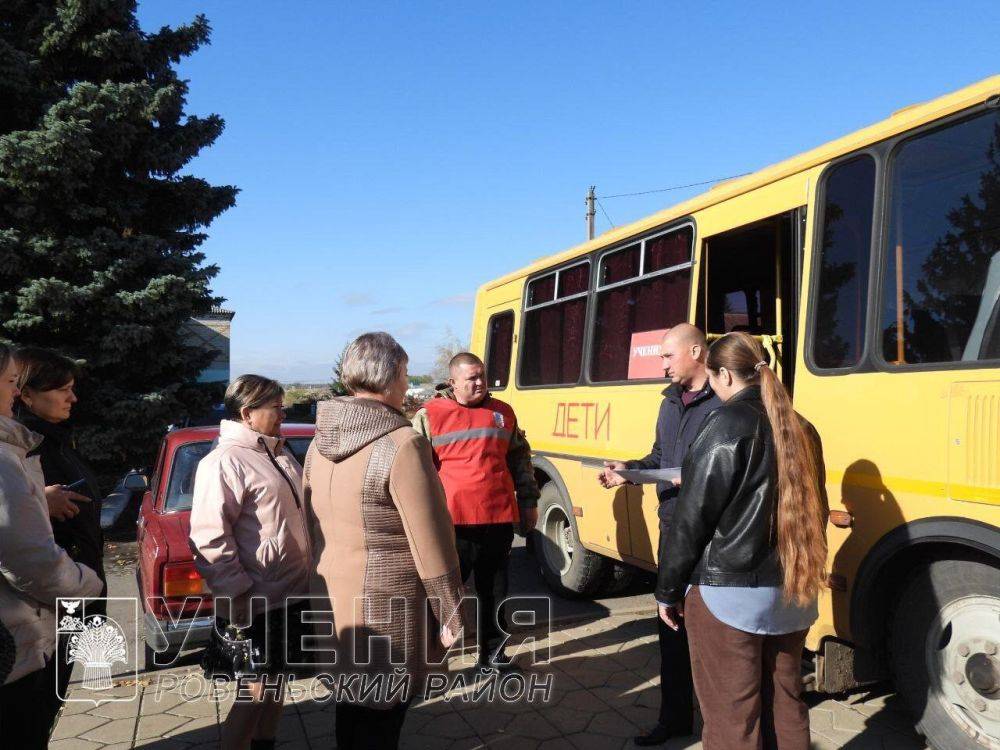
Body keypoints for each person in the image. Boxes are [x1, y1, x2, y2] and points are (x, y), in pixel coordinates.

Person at [656, 332, 828, 750]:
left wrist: (668, 590)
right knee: (787, 706)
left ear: (724, 376)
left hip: (728, 596)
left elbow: (692, 518)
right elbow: (818, 510)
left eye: (713, 379)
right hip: (793, 591)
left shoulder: (724, 424)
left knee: (733, 719)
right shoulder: (802, 426)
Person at [306, 332, 464, 750]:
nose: (406, 383)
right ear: (392, 375)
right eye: (406, 372)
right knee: (384, 718)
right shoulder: (403, 443)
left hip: (335, 603)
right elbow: (431, 541)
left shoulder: (317, 445)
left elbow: (310, 521)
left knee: (351, 705)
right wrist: (451, 610)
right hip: (387, 604)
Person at [598, 323, 720, 745]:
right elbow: (659, 457)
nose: (662, 364)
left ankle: (723, 725)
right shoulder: (669, 402)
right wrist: (627, 472)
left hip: (713, 535)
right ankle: (674, 721)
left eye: (669, 356)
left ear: (697, 352)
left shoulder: (724, 403)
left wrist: (699, 479)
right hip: (672, 529)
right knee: (670, 624)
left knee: (713, 635)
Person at [189, 374, 312, 750]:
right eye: (275, 407)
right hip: (253, 600)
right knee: (254, 690)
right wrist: (236, 592)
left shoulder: (276, 451)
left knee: (276, 682)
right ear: (247, 413)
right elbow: (209, 536)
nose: (282, 412)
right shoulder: (223, 461)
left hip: (287, 594)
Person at [0, 343, 103, 747]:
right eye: (62, 389)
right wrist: (87, 584)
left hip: (64, 601)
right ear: (25, 393)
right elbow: (25, 552)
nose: (72, 398)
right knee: (32, 712)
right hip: (43, 607)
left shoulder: (49, 441)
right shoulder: (22, 449)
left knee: (48, 702)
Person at [412, 352, 540, 669]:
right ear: (453, 382)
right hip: (452, 524)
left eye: (482, 376)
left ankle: (493, 656)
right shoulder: (429, 415)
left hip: (496, 520)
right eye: (472, 378)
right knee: (443, 597)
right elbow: (413, 470)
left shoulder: (503, 413)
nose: (480, 382)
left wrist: (529, 501)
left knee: (495, 591)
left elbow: (520, 460)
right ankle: (427, 661)